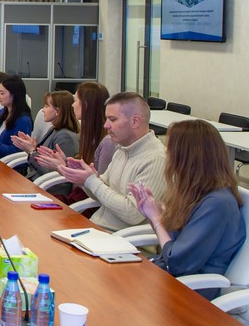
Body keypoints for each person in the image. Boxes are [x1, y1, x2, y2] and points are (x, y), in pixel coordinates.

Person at [129, 119, 245, 300]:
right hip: (172, 279)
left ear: (187, 156)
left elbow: (176, 261)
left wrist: (156, 218)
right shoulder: (195, 193)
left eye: (170, 148)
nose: (166, 152)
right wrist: (152, 214)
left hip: (191, 291)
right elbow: (170, 245)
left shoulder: (217, 203)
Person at [56, 92, 167, 231]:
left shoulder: (156, 159)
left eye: (112, 119)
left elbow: (133, 214)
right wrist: (84, 178)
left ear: (135, 121)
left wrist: (92, 181)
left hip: (121, 238)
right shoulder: (122, 149)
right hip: (97, 229)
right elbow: (99, 193)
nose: (106, 125)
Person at [34, 82, 115, 177]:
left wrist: (63, 166)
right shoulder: (87, 135)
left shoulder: (107, 143)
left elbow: (96, 184)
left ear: (85, 105)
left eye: (75, 101)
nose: (72, 105)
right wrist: (66, 162)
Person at [12, 90, 80, 178]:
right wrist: (32, 147)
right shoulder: (55, 129)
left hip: (45, 184)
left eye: (46, 106)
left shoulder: (65, 137)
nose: (43, 110)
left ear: (57, 111)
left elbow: (52, 172)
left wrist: (32, 151)